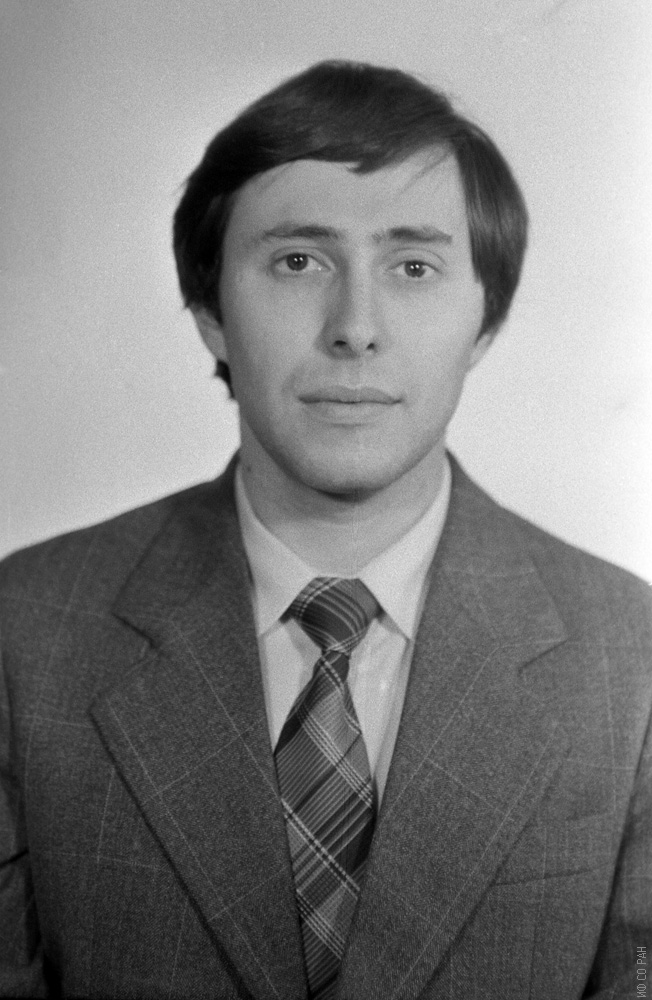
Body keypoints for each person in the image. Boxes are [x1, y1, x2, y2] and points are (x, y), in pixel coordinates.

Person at [0, 60, 650, 1000]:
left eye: (413, 267)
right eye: (299, 261)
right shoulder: (24, 631)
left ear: (484, 323)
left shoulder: (630, 654)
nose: (355, 327)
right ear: (210, 312)